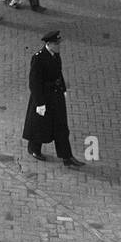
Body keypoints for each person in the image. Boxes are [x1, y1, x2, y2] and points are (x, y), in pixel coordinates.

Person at [23, 31, 81, 167]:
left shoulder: (56, 55)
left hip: (56, 95)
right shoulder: (38, 58)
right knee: (40, 125)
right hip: (44, 96)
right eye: (56, 44)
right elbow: (34, 82)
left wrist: (63, 89)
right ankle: (34, 148)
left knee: (61, 126)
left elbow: (58, 73)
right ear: (48, 44)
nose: (59, 46)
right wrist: (40, 103)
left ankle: (67, 157)